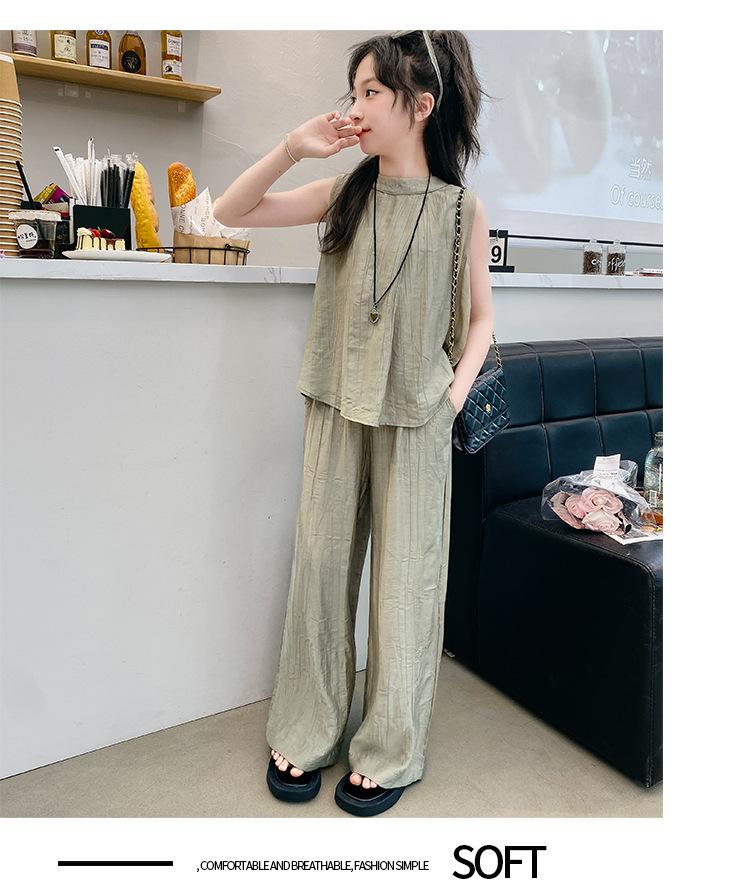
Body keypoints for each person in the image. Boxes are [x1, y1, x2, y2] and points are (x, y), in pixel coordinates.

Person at [214, 30, 494, 816]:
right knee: (320, 570)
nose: (358, 107)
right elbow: (230, 212)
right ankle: (307, 727)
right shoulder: (345, 192)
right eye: (356, 91)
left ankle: (390, 747)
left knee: (407, 589)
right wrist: (292, 147)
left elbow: (482, 321)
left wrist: (450, 400)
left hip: (417, 417)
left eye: (373, 91)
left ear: (421, 105)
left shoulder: (461, 210)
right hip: (338, 404)